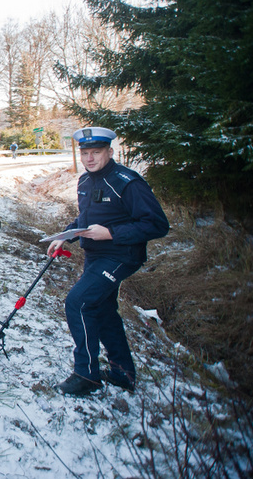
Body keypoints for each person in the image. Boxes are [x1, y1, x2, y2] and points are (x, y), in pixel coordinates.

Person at [47, 126, 169, 396]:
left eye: (96, 152)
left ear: (110, 152)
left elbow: (158, 224)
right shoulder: (85, 181)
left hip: (121, 255)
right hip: (95, 255)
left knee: (78, 302)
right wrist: (65, 236)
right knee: (102, 310)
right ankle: (122, 373)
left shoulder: (127, 182)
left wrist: (112, 233)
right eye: (85, 153)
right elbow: (86, 220)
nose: (90, 159)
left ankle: (86, 375)